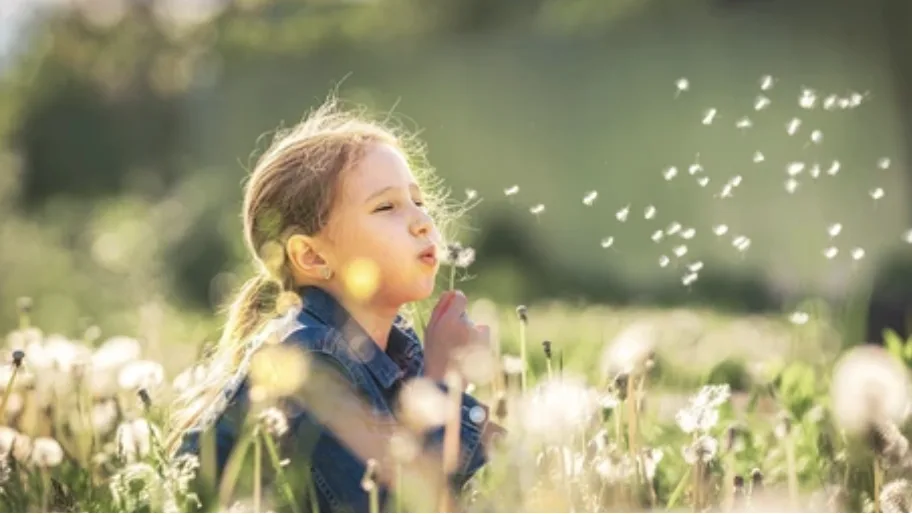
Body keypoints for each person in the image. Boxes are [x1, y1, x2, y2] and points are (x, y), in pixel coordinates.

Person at [165, 97, 502, 512]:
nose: (422, 222)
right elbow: (396, 505)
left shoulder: (394, 352)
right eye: (386, 207)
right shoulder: (306, 361)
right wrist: (444, 380)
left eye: (419, 201)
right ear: (312, 256)